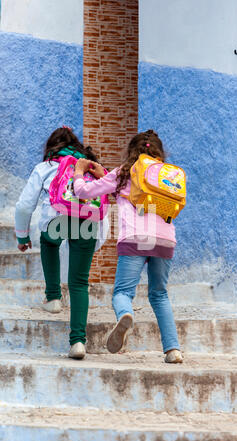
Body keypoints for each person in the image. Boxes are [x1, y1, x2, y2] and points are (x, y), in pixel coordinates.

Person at [73, 130, 183, 363]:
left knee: (123, 293)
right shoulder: (168, 175)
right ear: (159, 152)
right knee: (160, 295)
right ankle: (173, 350)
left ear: (132, 150)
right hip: (165, 240)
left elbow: (83, 191)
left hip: (134, 239)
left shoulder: (123, 172)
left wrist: (79, 172)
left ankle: (125, 315)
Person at [15, 126, 106, 360]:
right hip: (87, 221)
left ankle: (53, 297)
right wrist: (98, 239)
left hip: (56, 219)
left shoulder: (44, 167)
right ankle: (78, 342)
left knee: (49, 242)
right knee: (79, 282)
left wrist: (23, 236)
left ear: (51, 147)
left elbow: (25, 206)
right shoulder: (89, 168)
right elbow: (102, 202)